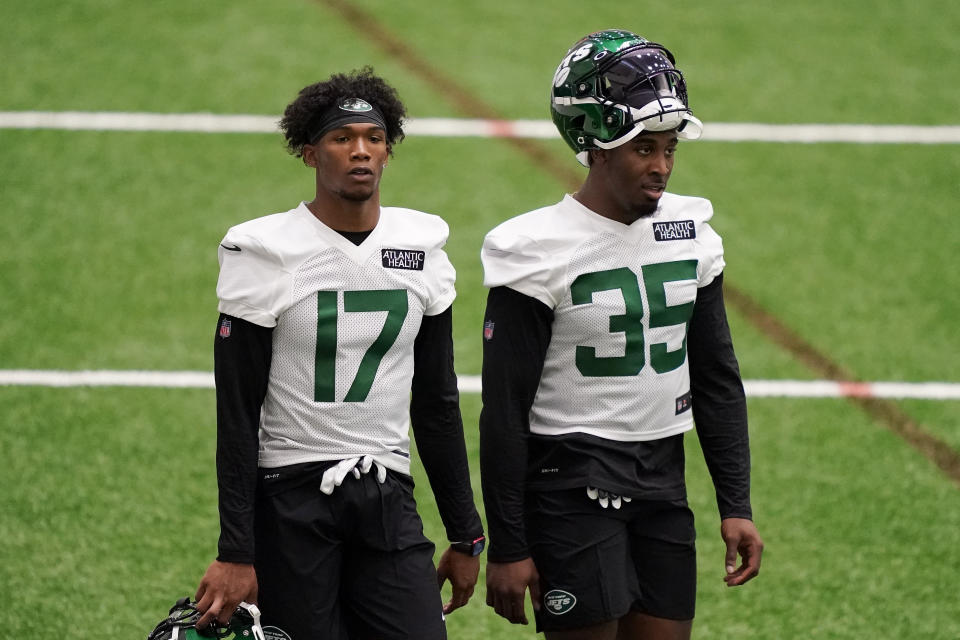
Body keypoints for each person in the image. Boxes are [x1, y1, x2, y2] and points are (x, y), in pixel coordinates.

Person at [479, 30, 763, 639]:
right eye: (643, 149)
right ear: (598, 147)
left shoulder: (692, 231)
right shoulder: (535, 249)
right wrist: (506, 543)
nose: (661, 166)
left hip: (663, 473)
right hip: (569, 478)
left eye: (668, 148)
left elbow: (716, 377)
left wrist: (735, 504)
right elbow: (503, 409)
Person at [192, 67, 485, 640]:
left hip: (386, 492)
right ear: (310, 153)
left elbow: (436, 401)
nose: (361, 152)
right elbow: (237, 413)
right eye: (341, 138)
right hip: (292, 497)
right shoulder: (265, 250)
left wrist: (465, 531)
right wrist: (236, 550)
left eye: (374, 138)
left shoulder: (421, 246)